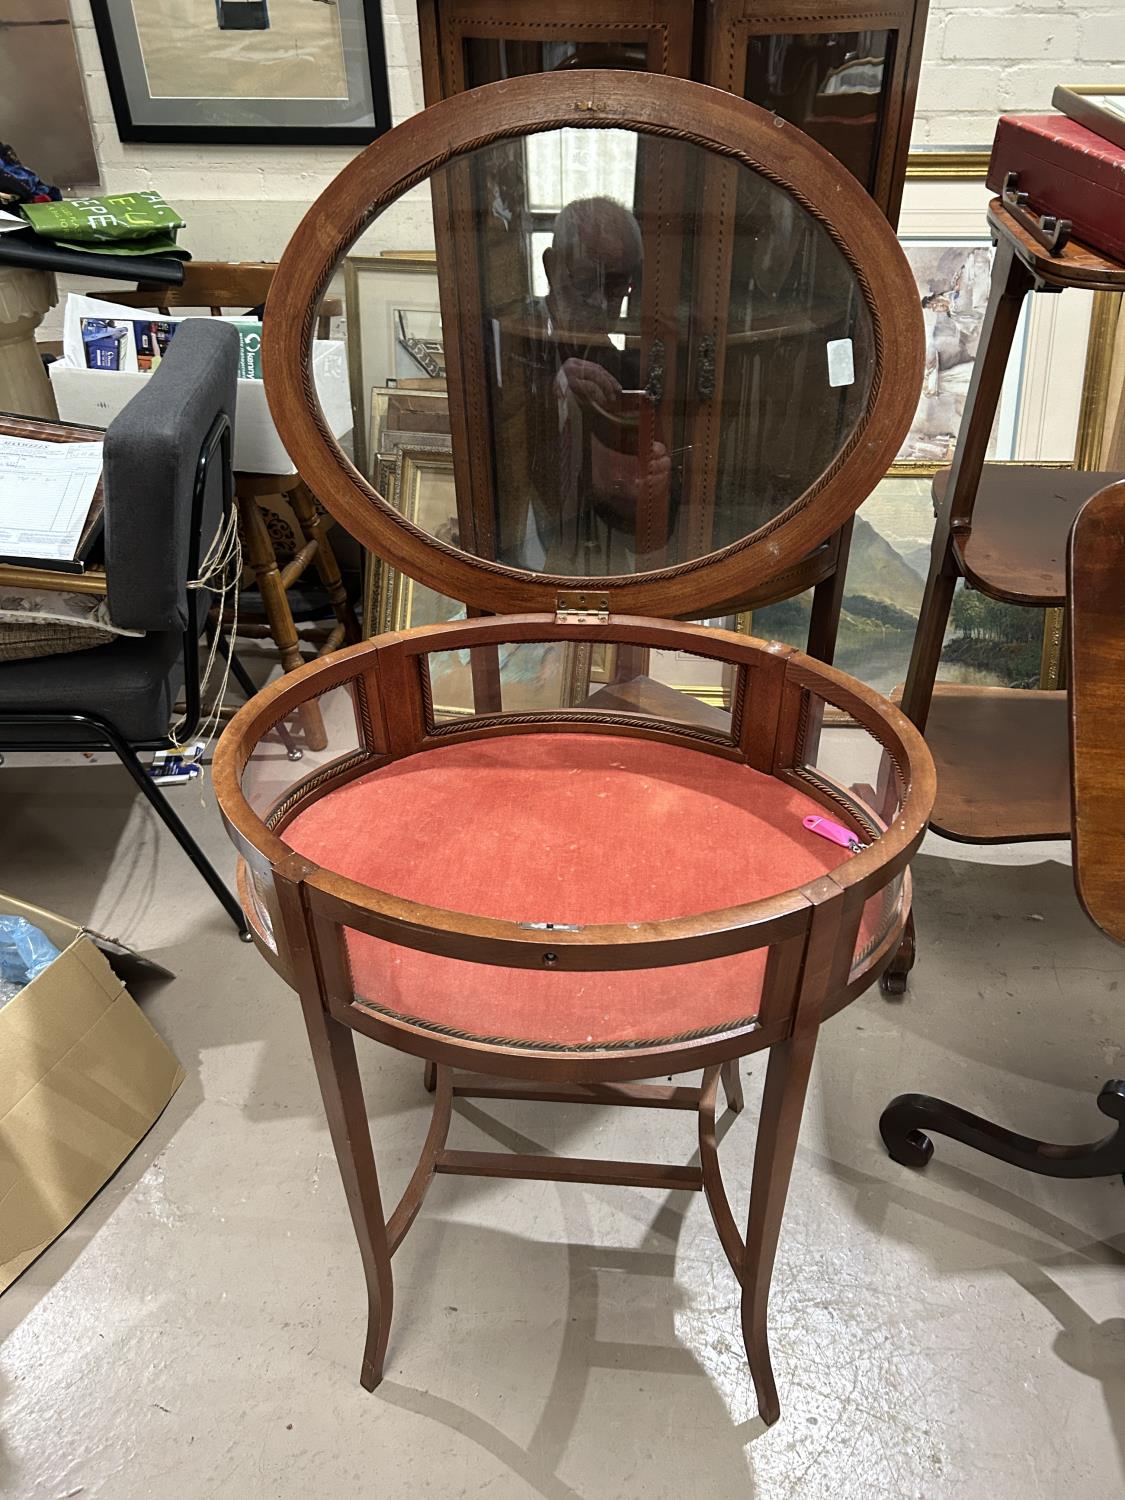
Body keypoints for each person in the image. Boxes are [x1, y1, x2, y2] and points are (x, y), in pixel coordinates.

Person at [511, 196, 671, 571]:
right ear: (551, 267)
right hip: (521, 560)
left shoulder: (626, 371)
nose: (601, 303)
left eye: (617, 288)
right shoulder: (510, 344)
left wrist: (651, 491)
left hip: (605, 564)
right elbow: (502, 462)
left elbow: (650, 534)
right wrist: (554, 398)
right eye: (586, 282)